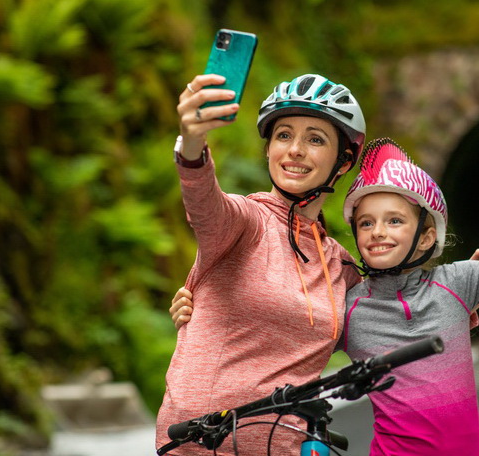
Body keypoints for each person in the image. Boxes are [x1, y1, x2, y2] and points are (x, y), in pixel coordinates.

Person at [171, 118, 479, 455]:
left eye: (395, 220)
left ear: (427, 236)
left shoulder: (461, 281)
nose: (378, 232)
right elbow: (284, 330)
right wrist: (206, 307)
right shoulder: (349, 303)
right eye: (366, 223)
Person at [156, 73, 368, 455]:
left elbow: (395, 319)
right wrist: (191, 141)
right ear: (268, 148)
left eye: (315, 139)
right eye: (284, 135)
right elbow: (204, 201)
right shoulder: (245, 221)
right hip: (198, 445)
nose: (295, 150)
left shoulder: (341, 266)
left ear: (343, 161)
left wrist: (469, 288)